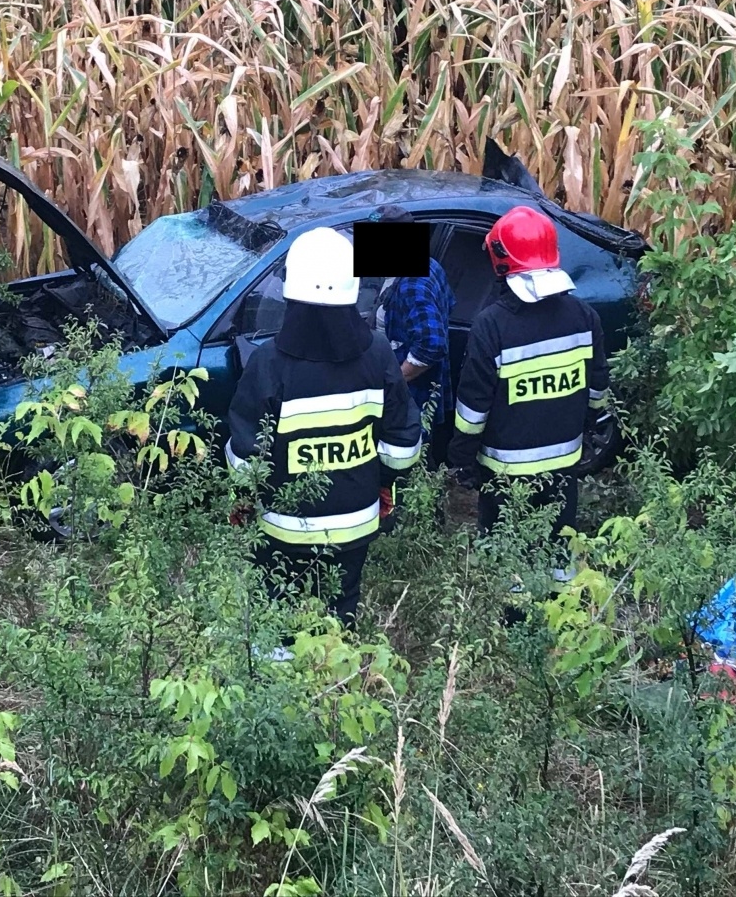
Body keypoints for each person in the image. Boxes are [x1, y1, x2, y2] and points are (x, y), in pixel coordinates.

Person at [225, 227, 423, 628]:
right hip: (356, 523)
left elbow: (245, 461)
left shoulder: (268, 363)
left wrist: (246, 498)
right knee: (340, 612)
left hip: (283, 531)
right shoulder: (380, 352)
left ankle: (277, 677)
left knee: (275, 613)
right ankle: (336, 680)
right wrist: (383, 483)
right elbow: (403, 443)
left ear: (291, 293)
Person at [446, 205, 610, 564]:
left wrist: (462, 459)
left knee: (507, 552)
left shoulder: (492, 325)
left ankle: (512, 614)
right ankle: (561, 612)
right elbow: (598, 392)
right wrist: (588, 433)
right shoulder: (585, 317)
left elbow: (473, 407)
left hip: (505, 473)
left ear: (502, 262)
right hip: (564, 464)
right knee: (558, 546)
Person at [370, 205, 456, 464]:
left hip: (414, 401)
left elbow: (431, 345)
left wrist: (394, 382)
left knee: (409, 463)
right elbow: (449, 304)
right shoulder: (430, 265)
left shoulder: (412, 286)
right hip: (421, 393)